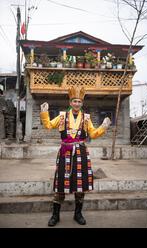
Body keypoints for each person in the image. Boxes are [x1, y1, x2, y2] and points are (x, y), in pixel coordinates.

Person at [40, 86, 111, 226]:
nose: (77, 103)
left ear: (82, 103)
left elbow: (93, 134)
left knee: (80, 184)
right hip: (65, 152)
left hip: (81, 152)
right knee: (61, 183)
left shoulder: (86, 118)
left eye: (79, 101)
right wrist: (44, 112)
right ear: (70, 102)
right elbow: (48, 125)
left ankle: (78, 214)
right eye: (74, 101)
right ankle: (55, 215)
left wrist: (103, 127)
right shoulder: (61, 117)